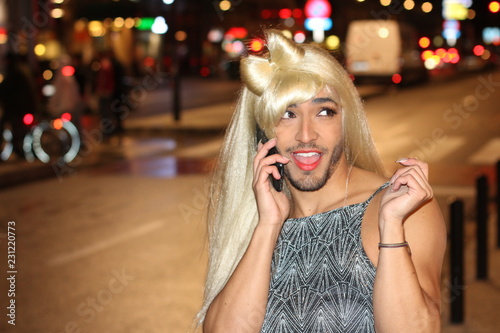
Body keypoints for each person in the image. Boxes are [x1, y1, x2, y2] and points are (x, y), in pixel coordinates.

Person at [198, 29, 446, 332]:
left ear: (345, 120)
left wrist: (391, 226)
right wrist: (269, 226)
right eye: (287, 114)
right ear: (264, 131)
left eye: (324, 111)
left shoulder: (402, 208)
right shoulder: (256, 217)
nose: (306, 135)